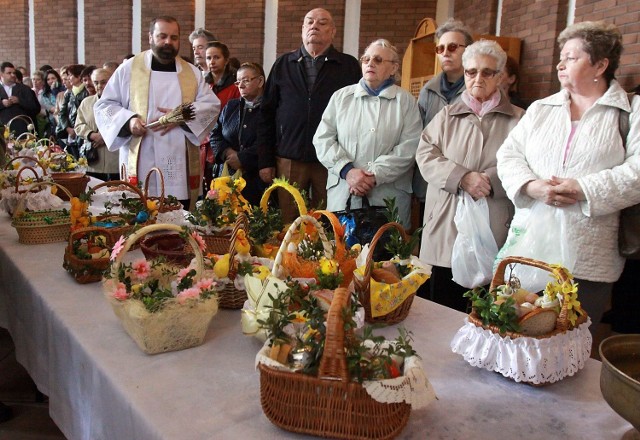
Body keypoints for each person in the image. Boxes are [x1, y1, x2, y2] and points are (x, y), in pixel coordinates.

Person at [496, 21, 640, 329]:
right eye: (562, 56)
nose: (560, 64)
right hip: (530, 246)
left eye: (571, 57)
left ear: (601, 64)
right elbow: (508, 155)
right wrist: (531, 185)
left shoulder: (630, 111)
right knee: (517, 332)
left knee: (572, 343)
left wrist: (583, 188)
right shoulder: (541, 109)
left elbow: (637, 171)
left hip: (588, 255)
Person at [416, 40, 525, 312]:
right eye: (471, 71)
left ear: (500, 76)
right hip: (446, 224)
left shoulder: (519, 119)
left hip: (494, 222)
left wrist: (488, 180)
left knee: (488, 311)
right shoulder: (446, 115)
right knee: (442, 309)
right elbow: (425, 155)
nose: (478, 78)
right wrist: (463, 178)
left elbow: (526, 163)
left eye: (487, 72)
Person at [95, 16, 220, 210]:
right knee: (140, 213)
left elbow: (211, 106)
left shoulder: (191, 73)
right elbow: (105, 105)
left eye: (173, 37)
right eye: (162, 36)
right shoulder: (129, 69)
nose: (168, 42)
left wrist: (181, 116)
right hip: (141, 155)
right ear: (150, 38)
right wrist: (129, 121)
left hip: (178, 160)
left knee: (178, 216)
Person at [257, 8, 361, 222]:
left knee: (328, 221)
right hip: (289, 158)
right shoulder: (283, 64)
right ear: (302, 30)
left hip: (332, 160)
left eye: (322, 23)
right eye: (310, 22)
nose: (315, 26)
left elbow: (358, 113)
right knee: (288, 223)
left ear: (333, 32)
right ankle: (287, 257)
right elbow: (266, 114)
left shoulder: (348, 66)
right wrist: (265, 159)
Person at [314, 39, 421, 228]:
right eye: (366, 59)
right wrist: (347, 171)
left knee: (388, 254)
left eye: (378, 60)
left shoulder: (405, 101)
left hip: (388, 196)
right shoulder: (341, 97)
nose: (370, 63)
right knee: (342, 253)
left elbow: (410, 147)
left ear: (394, 68)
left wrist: (372, 176)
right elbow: (323, 139)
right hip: (345, 193)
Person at [412, 19, 474, 230]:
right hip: (431, 180)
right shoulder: (428, 90)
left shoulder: (478, 89)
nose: (445, 52)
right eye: (440, 48)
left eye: (453, 47)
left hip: (466, 182)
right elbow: (419, 135)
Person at [210, 62, 267, 205]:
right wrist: (227, 152)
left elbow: (269, 140)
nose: (240, 85)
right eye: (238, 81)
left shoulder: (270, 109)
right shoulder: (231, 106)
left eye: (246, 80)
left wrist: (242, 158)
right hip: (226, 176)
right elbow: (215, 134)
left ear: (260, 81)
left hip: (256, 178)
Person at [74, 68, 118, 181]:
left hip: (115, 161)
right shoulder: (86, 102)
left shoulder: (121, 102)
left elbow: (124, 124)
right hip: (93, 162)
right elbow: (79, 125)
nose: (99, 86)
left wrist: (105, 137)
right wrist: (92, 135)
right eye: (96, 82)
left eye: (103, 82)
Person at [0, 61, 40, 136]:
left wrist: (20, 101)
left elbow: (36, 108)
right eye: (9, 73)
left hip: (22, 130)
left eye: (14, 73)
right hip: (2, 131)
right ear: (1, 74)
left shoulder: (25, 89)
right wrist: (2, 103)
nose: (12, 75)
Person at [57, 64, 88, 158]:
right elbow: (62, 113)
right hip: (71, 133)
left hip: (83, 133)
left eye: (70, 75)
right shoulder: (69, 94)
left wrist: (78, 129)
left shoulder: (87, 92)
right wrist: (67, 128)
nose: (68, 78)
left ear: (79, 77)